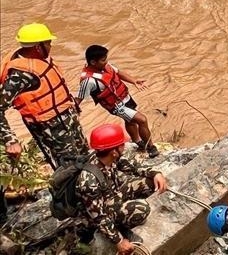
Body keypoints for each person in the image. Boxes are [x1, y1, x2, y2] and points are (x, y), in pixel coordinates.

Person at [0, 23, 88, 169]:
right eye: (48, 43)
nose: (51, 46)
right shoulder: (20, 75)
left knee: (85, 155)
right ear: (37, 46)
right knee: (70, 168)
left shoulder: (39, 59)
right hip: (51, 130)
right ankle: (70, 191)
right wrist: (11, 141)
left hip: (68, 119)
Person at [77, 123, 168, 254]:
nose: (124, 146)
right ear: (114, 151)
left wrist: (155, 173)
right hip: (98, 213)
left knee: (149, 183)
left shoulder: (108, 156)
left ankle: (121, 217)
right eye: (122, 145)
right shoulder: (89, 182)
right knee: (142, 209)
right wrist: (119, 241)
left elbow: (133, 168)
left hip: (111, 196)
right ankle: (121, 227)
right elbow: (98, 217)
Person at [77, 45, 158, 158]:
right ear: (93, 62)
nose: (106, 61)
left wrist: (134, 81)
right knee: (142, 120)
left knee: (130, 121)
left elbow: (119, 73)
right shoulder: (88, 81)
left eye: (106, 58)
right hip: (116, 106)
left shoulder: (106, 66)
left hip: (125, 97)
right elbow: (79, 98)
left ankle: (138, 142)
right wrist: (73, 111)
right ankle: (150, 147)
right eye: (103, 59)